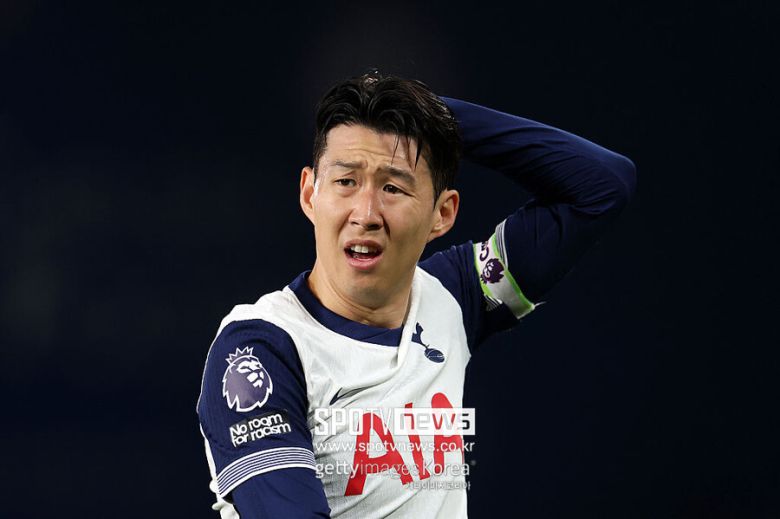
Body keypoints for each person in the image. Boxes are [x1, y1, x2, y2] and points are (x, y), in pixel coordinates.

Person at [196, 70, 636, 518]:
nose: (366, 213)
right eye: (346, 182)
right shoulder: (260, 348)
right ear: (310, 194)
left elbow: (602, 186)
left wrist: (431, 116)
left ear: (442, 213)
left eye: (393, 187)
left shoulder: (454, 295)